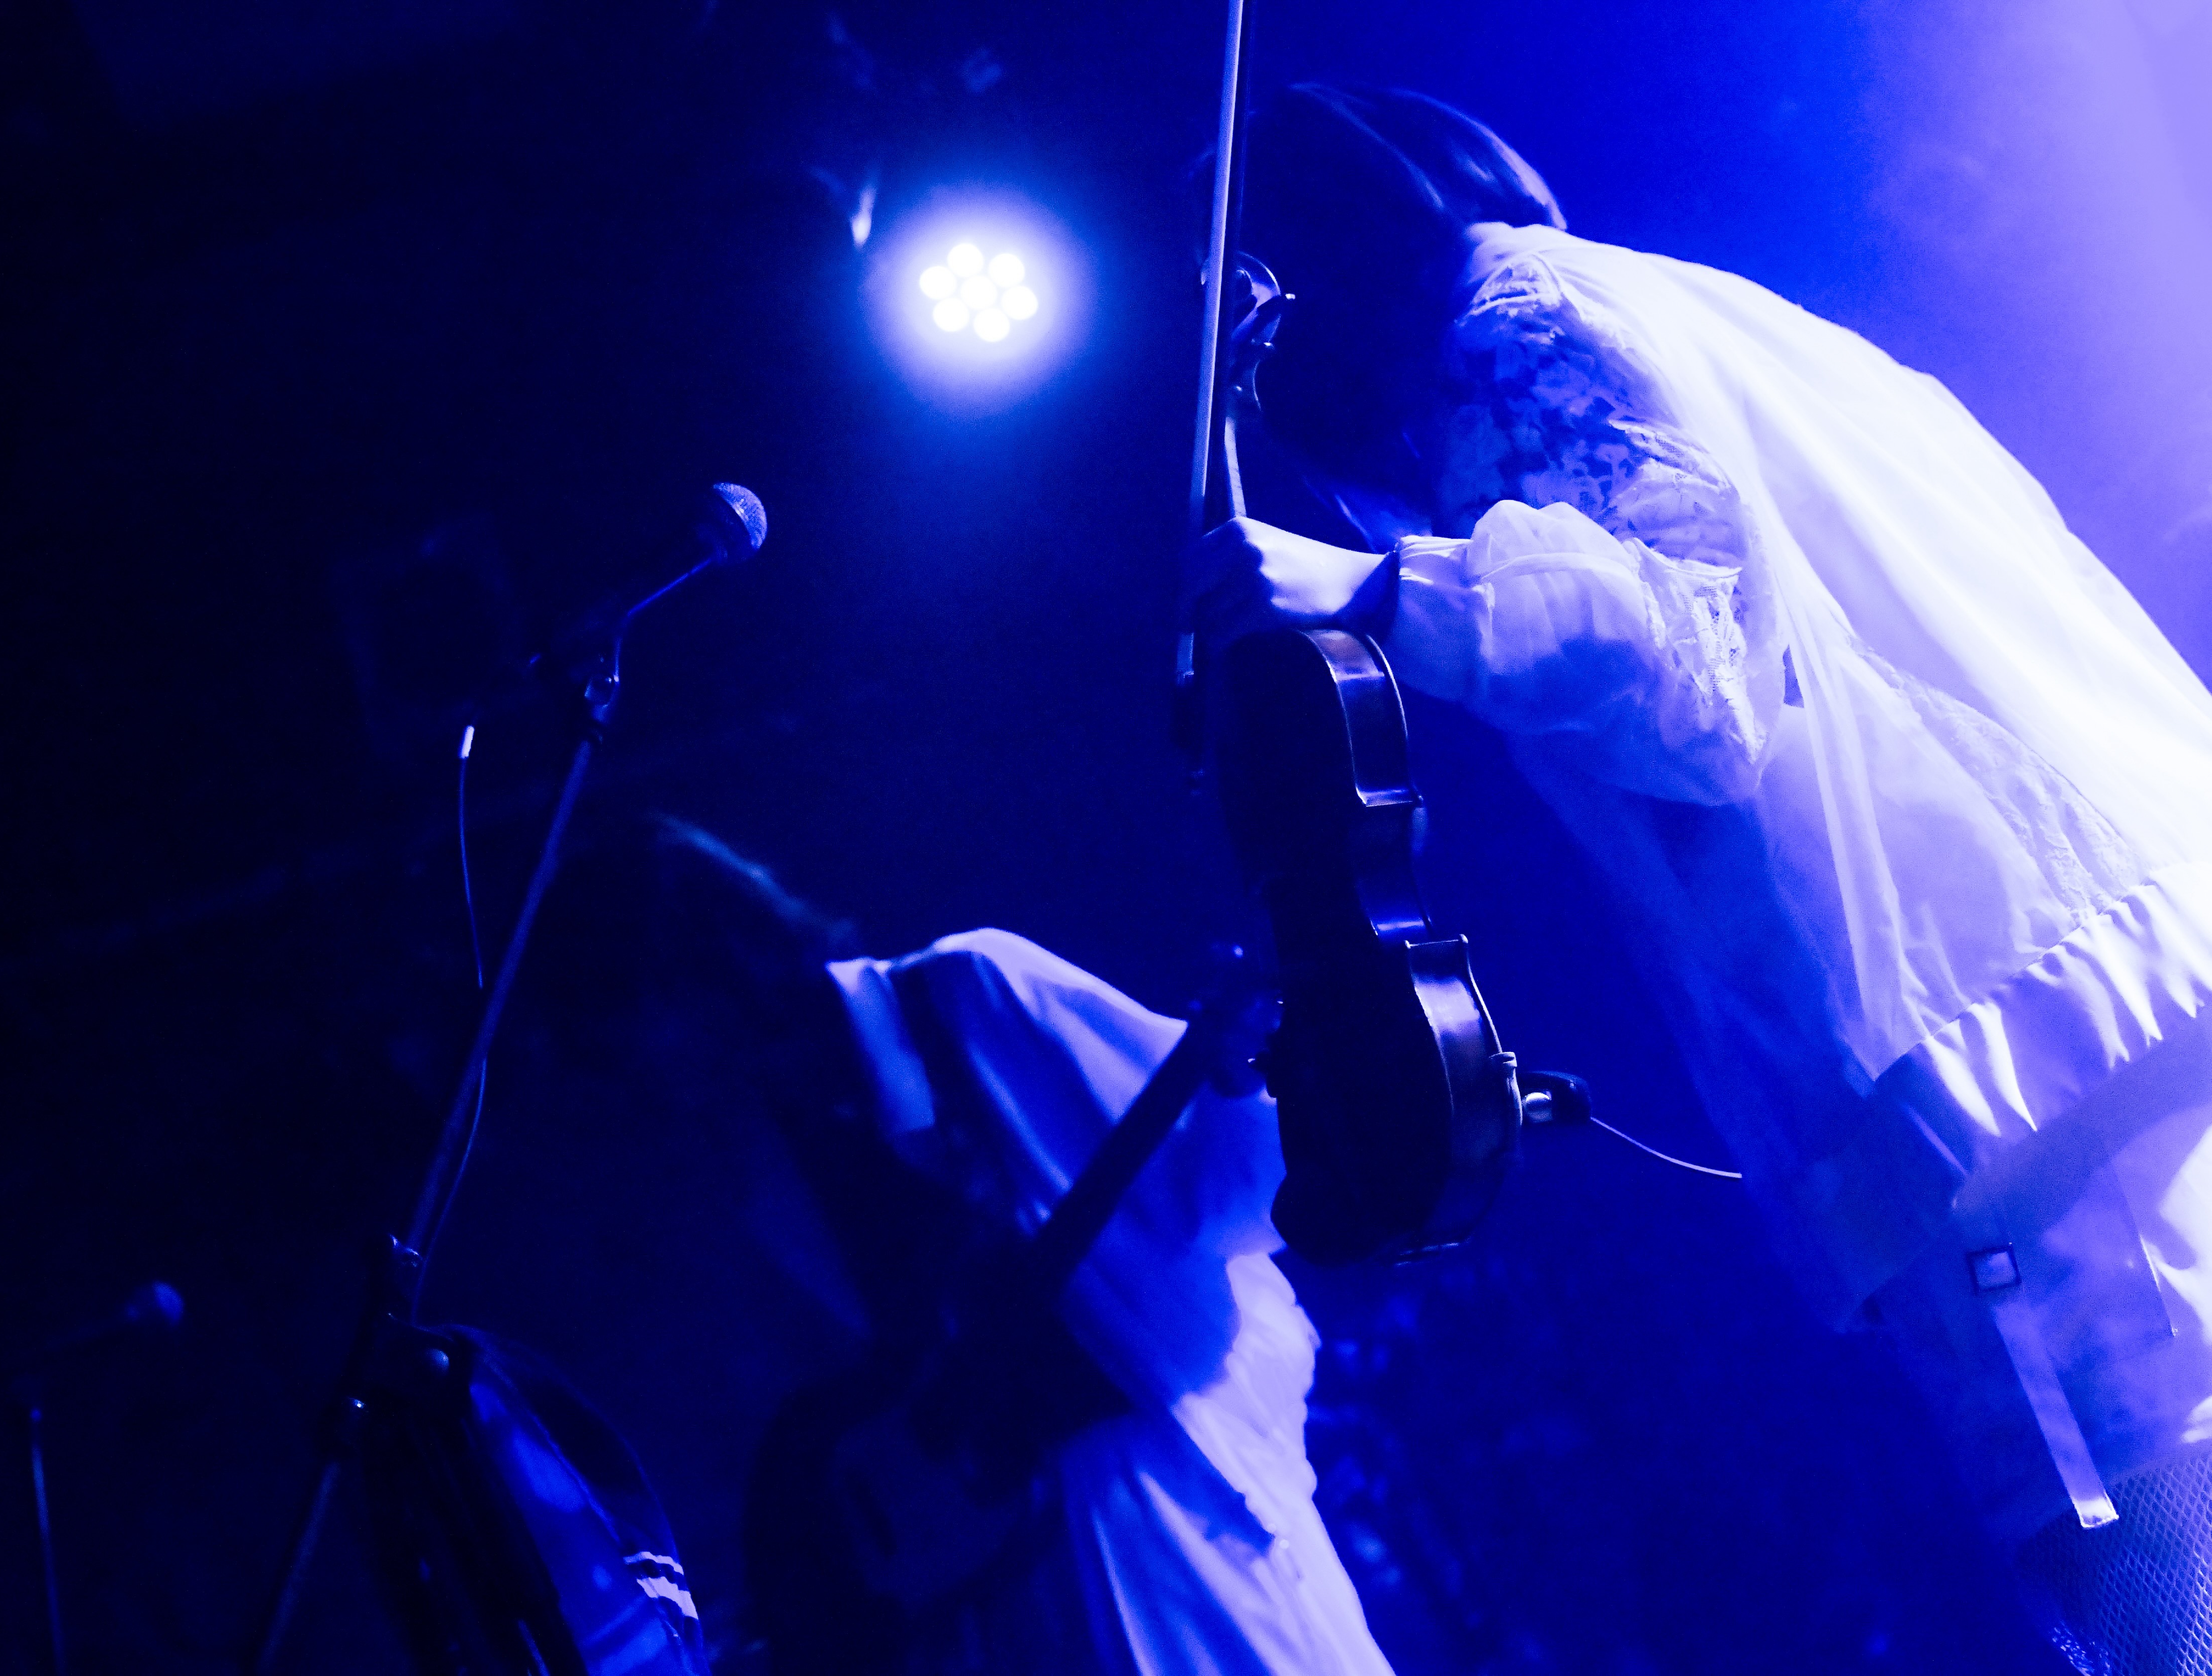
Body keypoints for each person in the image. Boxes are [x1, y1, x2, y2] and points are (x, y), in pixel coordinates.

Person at [1193, 83, 2212, 1669]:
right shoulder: (1679, 305)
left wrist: (1388, 587)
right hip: (2104, 996)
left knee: (2157, 1569)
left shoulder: (1502, 333)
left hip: (2013, 1083)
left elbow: (1702, 674)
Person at [525, 817, 1394, 1676]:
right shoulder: (762, 1176)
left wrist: (1240, 1084)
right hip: (1001, 1590)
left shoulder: (972, 991)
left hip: (1164, 1515)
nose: (647, 1078)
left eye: (627, 1030)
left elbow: (1241, 1192)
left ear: (692, 969)